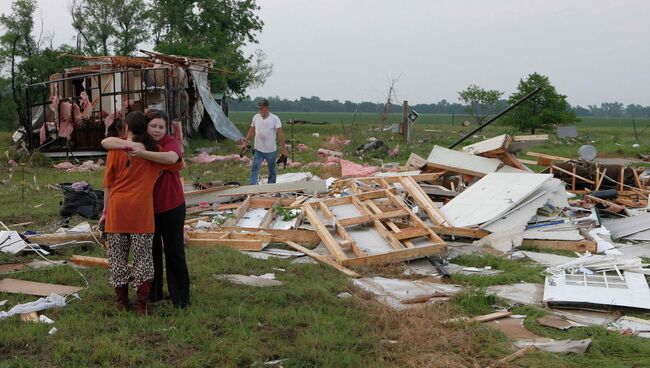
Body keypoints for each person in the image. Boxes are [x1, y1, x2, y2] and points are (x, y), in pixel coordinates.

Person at [101, 111, 190, 308]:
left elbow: (175, 159)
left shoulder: (125, 150)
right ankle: (147, 300)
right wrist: (138, 149)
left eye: (161, 127)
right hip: (144, 211)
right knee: (147, 256)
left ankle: (126, 302)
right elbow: (178, 164)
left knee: (121, 257)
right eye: (153, 126)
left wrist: (105, 212)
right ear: (145, 128)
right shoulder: (149, 151)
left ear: (127, 128)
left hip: (143, 208)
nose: (158, 130)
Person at [241, 98, 288, 185]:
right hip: (258, 149)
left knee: (272, 170)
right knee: (255, 168)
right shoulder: (256, 117)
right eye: (259, 108)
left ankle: (271, 187)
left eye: (261, 108)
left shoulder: (275, 119)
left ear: (266, 108)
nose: (260, 110)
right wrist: (245, 143)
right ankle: (252, 187)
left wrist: (283, 149)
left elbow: (280, 135)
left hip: (270, 150)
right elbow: (251, 130)